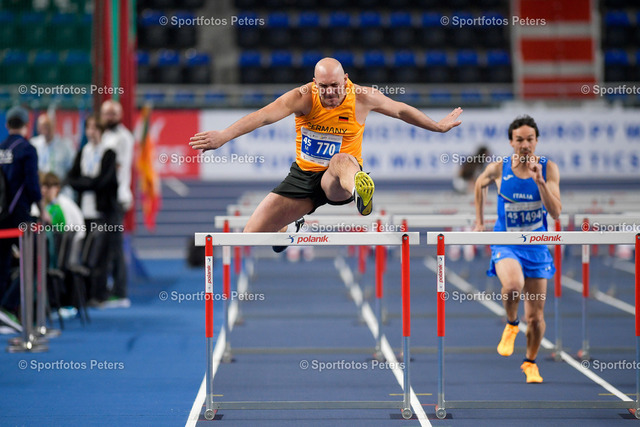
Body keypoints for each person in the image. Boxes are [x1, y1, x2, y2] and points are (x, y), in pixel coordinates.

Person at [190, 57, 463, 241]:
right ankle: (289, 227)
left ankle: (360, 192)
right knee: (250, 235)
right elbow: (262, 116)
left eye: (335, 85)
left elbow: (401, 110)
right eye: (323, 87)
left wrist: (437, 126)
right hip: (303, 177)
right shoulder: (302, 97)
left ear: (346, 79)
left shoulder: (363, 97)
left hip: (338, 178)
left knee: (341, 159)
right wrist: (224, 136)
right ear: (314, 83)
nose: (330, 92)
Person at [473, 115, 562, 383]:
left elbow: (556, 213)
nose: (525, 145)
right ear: (511, 142)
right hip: (506, 242)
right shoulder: (499, 168)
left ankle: (530, 362)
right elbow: (479, 184)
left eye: (529, 139)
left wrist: (540, 182)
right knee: (513, 287)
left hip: (536, 247)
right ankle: (511, 324)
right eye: (519, 140)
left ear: (536, 141)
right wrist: (479, 221)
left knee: (535, 318)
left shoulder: (548, 168)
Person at [66, 115, 126, 308]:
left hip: (103, 213)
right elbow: (71, 178)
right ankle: (85, 294)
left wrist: (86, 182)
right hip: (84, 212)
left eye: (94, 129)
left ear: (100, 131)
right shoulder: (83, 151)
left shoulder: (108, 153)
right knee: (84, 254)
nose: (91, 132)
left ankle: (100, 294)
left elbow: (106, 182)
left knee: (101, 255)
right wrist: (89, 182)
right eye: (88, 128)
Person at [0, 106, 48, 332]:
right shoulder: (27, 149)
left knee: (2, 264)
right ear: (27, 126)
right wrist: (42, 209)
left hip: (1, 216)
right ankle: (8, 306)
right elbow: (32, 184)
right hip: (19, 215)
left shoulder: (1, 148)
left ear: (7, 125)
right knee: (34, 259)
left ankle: (3, 314)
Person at [99, 100, 133, 308]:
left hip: (117, 197)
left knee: (115, 245)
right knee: (107, 245)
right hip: (106, 197)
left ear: (119, 115)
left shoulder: (123, 137)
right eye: (106, 113)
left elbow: (117, 167)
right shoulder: (104, 135)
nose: (109, 117)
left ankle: (120, 291)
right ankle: (110, 287)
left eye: (113, 113)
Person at [40, 171, 85, 265]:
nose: (44, 190)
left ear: (57, 188)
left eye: (48, 187)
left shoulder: (61, 205)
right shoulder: (49, 205)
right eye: (43, 186)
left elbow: (63, 230)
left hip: (74, 238)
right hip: (63, 237)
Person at [30, 113, 75, 181]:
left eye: (47, 125)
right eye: (42, 126)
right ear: (38, 128)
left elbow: (71, 168)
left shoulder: (65, 145)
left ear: (53, 125)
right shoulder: (33, 144)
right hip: (39, 184)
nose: (45, 128)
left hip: (59, 184)